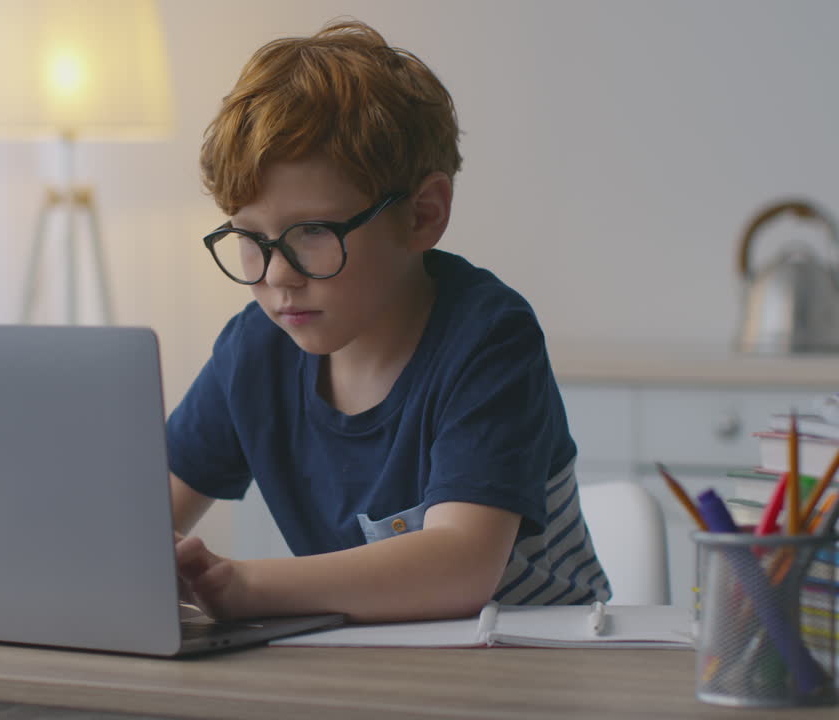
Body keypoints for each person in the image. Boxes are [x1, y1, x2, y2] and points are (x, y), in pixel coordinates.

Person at [169, 19, 609, 624]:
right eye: (250, 239)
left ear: (423, 215)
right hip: (375, 666)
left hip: (534, 668)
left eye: (313, 234)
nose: (276, 276)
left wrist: (246, 584)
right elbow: (140, 519)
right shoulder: (254, 349)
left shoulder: (489, 338)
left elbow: (461, 564)